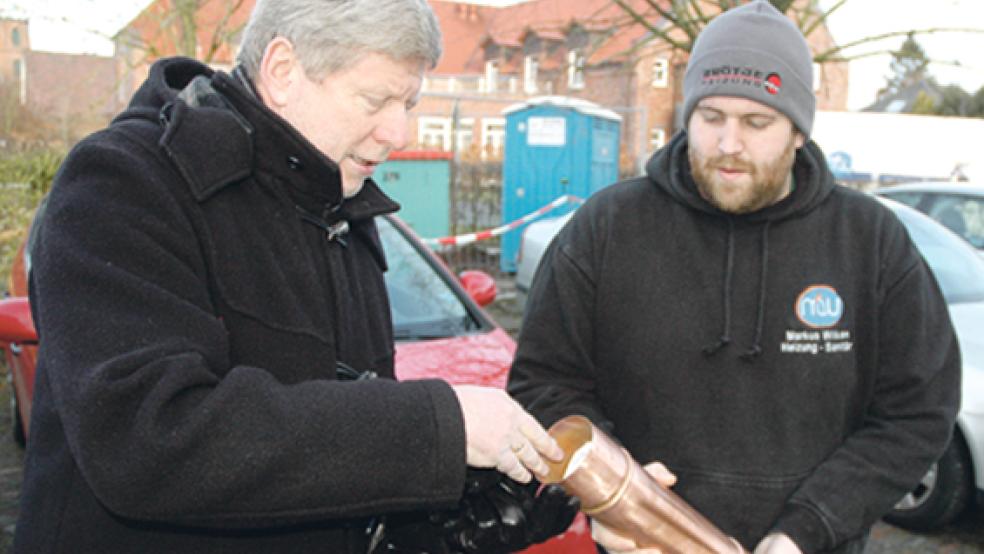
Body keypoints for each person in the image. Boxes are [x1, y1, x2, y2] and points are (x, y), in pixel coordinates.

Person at [14, 0, 577, 552]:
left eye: (408, 102)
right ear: (284, 71)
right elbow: (146, 439)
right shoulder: (127, 182)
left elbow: (333, 466)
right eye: (376, 99)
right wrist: (438, 426)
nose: (398, 132)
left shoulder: (342, 213)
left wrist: (457, 520)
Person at [507, 2, 961, 553]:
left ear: (798, 131)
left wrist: (810, 525)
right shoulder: (608, 229)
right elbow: (544, 383)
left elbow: (916, 412)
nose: (728, 144)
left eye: (756, 122)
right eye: (711, 117)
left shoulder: (869, 241)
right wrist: (615, 486)